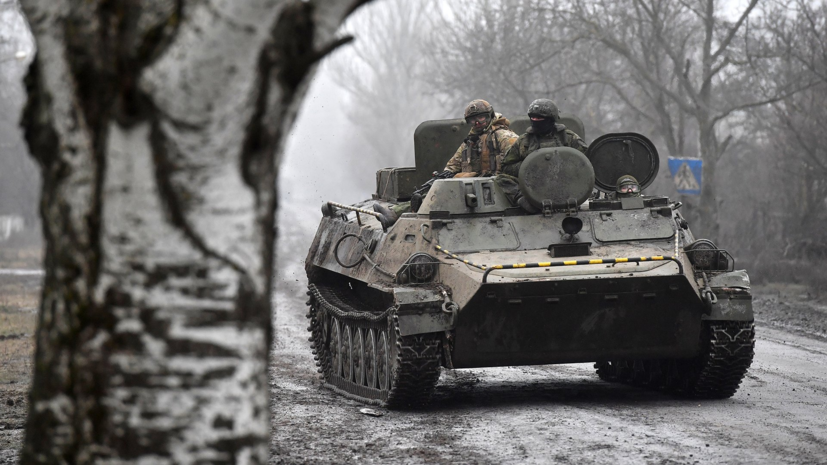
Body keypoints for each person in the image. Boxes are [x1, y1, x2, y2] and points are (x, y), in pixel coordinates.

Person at [373, 99, 518, 228]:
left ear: (490, 116)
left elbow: (519, 161)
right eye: (473, 120)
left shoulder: (504, 136)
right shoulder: (472, 140)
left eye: (481, 117)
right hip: (477, 185)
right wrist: (446, 173)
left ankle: (393, 215)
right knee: (435, 192)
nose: (478, 122)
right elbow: (455, 162)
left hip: (499, 185)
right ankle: (392, 215)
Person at [497, 98, 589, 213]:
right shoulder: (524, 141)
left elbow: (586, 163)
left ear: (551, 119)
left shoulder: (568, 138)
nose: (535, 121)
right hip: (532, 185)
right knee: (501, 179)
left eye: (539, 118)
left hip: (563, 182)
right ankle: (524, 201)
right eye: (533, 118)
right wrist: (531, 167)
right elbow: (506, 168)